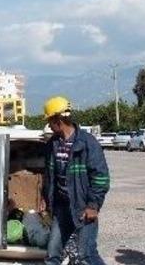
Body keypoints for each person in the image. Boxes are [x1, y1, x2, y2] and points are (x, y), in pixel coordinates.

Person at [41, 96, 109, 265]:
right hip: (61, 207)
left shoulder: (87, 143)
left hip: (82, 207)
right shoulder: (52, 145)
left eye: (50, 120)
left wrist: (93, 205)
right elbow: (50, 176)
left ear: (59, 120)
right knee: (52, 255)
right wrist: (45, 198)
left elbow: (101, 177)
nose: (49, 125)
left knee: (86, 254)